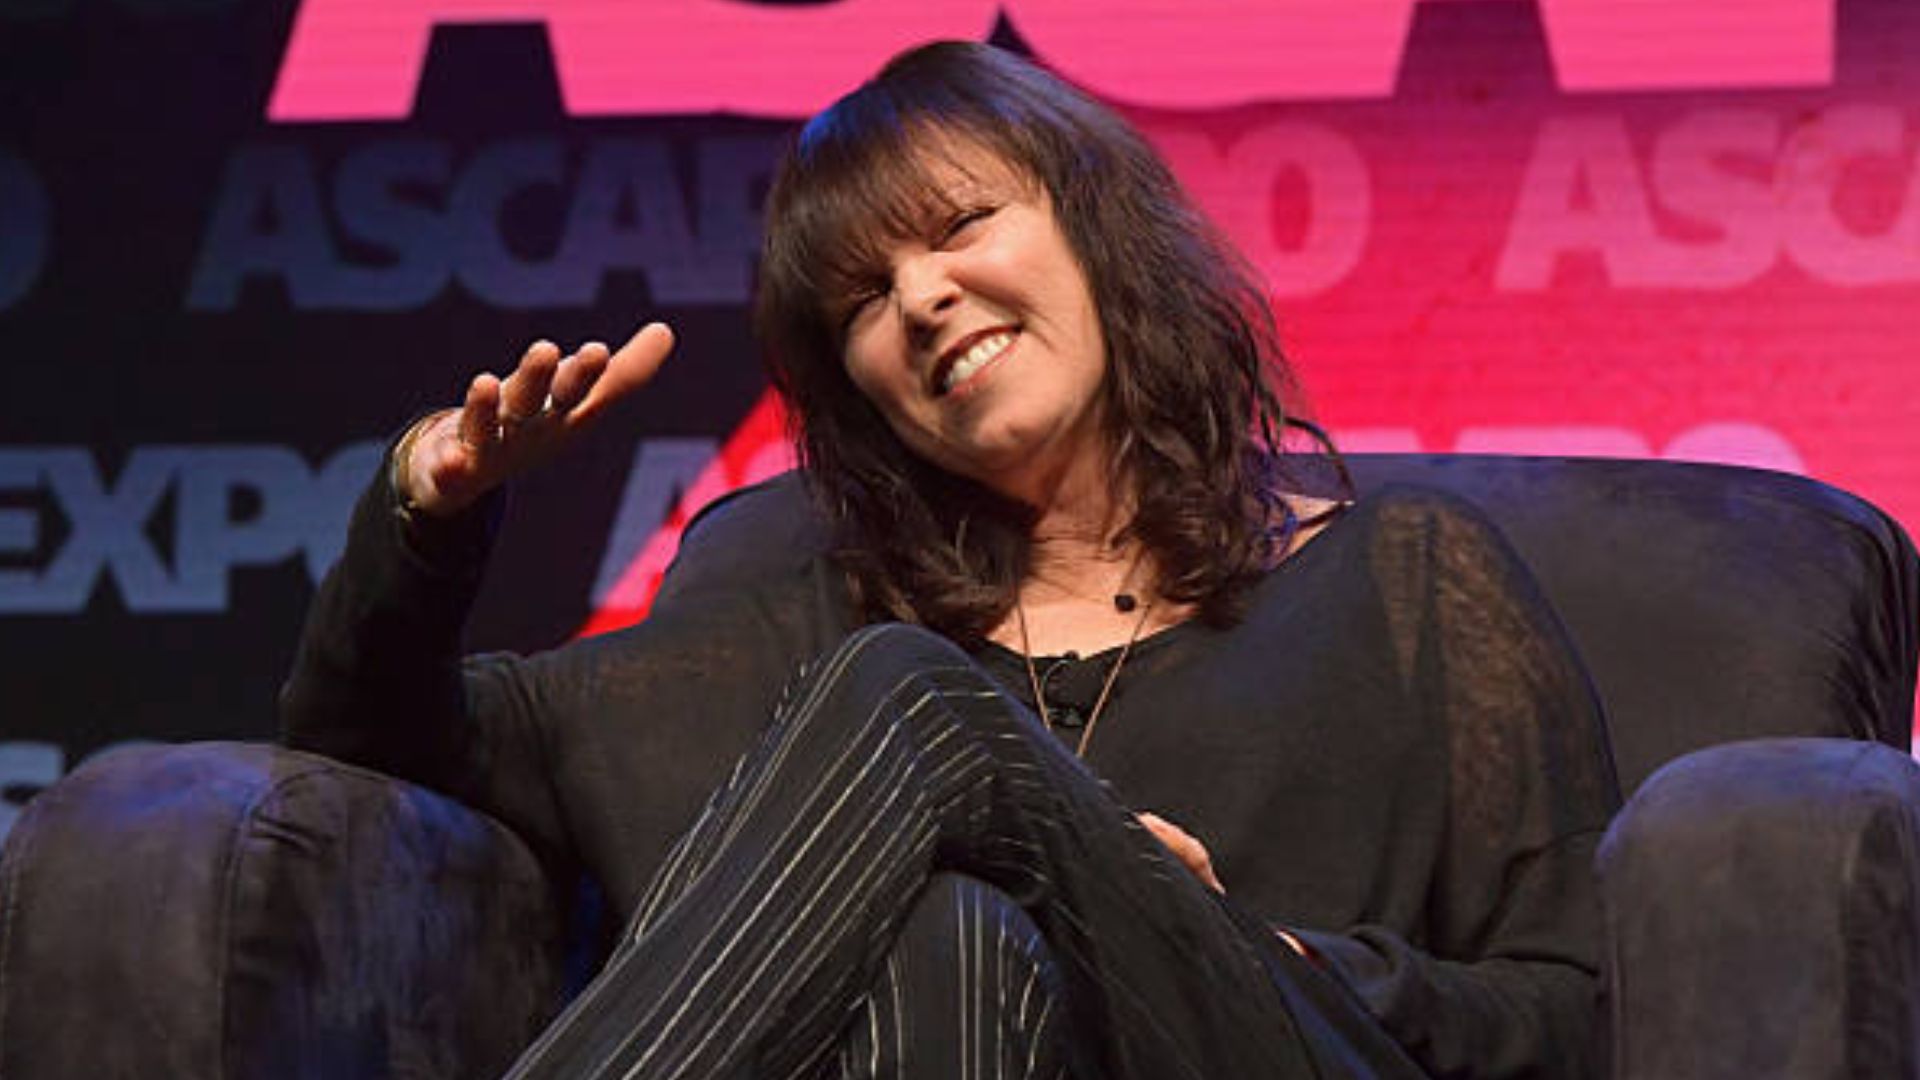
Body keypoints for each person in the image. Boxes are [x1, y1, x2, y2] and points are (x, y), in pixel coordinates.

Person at [281, 40, 1619, 1079]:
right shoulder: (783, 625)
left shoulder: (1410, 576)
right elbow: (372, 741)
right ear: (856, 385)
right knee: (949, 936)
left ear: (1096, 233)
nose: (919, 300)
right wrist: (428, 504)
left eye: (963, 226)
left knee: (911, 699)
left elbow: (1576, 1019)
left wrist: (1286, 956)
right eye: (863, 298)